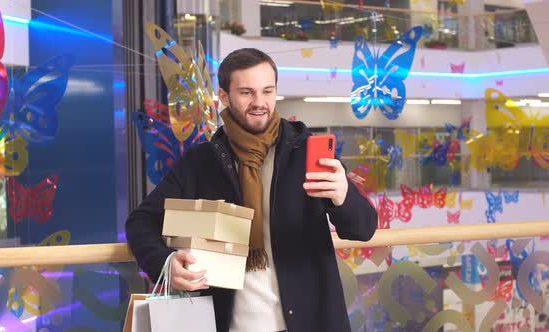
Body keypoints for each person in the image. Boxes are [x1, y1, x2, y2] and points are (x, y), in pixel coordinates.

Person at [126, 48, 378, 332]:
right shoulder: (200, 163)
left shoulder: (306, 152)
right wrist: (166, 263)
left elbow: (363, 228)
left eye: (268, 91)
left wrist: (343, 196)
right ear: (224, 97)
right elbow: (140, 222)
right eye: (247, 92)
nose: (260, 102)